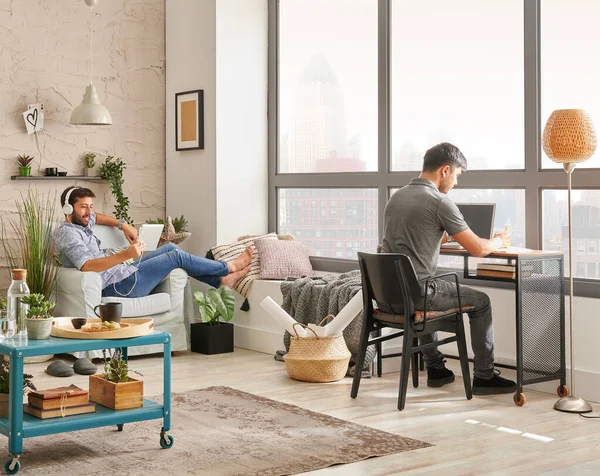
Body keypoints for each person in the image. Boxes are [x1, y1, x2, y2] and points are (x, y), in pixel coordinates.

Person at [382, 142, 516, 395]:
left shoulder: (396, 197)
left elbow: (408, 238)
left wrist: (443, 236)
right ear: (445, 170)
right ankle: (485, 377)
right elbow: (477, 249)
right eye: (457, 175)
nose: (456, 183)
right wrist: (499, 241)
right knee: (481, 301)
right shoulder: (439, 201)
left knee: (419, 287)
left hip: (389, 297)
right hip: (418, 295)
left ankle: (436, 369)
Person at [55, 186, 252, 298]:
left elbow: (97, 217)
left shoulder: (83, 222)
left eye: (90, 206)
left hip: (123, 274)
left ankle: (221, 281)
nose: (89, 212)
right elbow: (87, 266)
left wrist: (123, 225)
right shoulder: (69, 234)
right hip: (119, 286)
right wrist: (126, 254)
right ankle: (227, 267)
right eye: (83, 207)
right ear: (67, 209)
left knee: (171, 247)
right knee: (175, 256)